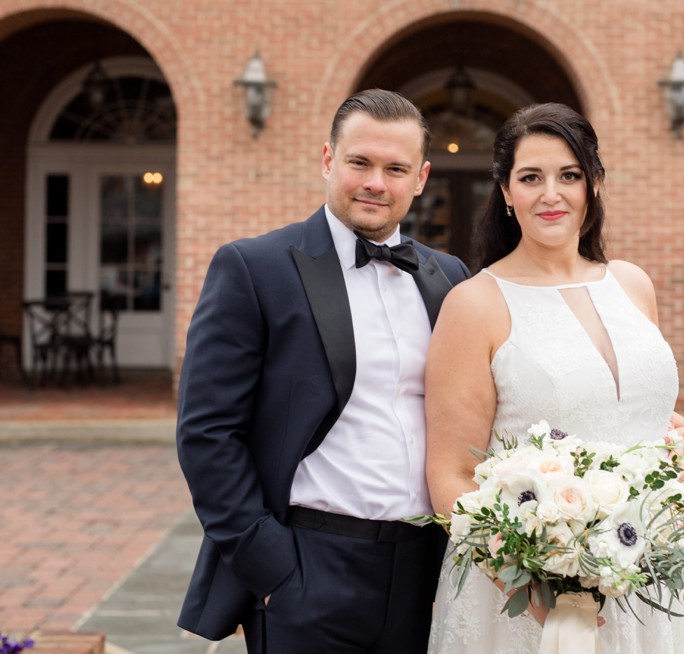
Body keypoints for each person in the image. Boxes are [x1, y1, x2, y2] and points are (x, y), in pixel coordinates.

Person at [175, 88, 470, 653]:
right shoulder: (254, 267)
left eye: (395, 168)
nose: (374, 183)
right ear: (328, 159)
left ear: (421, 178)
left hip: (426, 574)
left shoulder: (449, 277)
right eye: (359, 162)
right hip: (307, 565)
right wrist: (274, 569)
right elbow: (207, 433)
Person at [424, 103, 684, 653]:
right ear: (506, 192)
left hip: (657, 570)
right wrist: (542, 590)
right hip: (532, 594)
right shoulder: (475, 304)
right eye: (531, 177)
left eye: (569, 175)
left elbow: (634, 409)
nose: (551, 194)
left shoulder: (633, 284)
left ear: (594, 184)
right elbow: (452, 476)